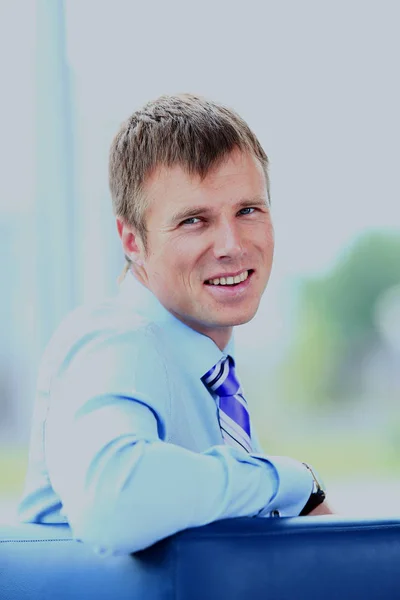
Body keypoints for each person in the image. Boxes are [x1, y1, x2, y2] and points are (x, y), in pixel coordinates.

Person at [19, 93, 333, 556]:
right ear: (132, 240)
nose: (231, 244)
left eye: (248, 210)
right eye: (193, 221)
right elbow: (114, 500)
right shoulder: (117, 341)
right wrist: (285, 479)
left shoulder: (205, 370)